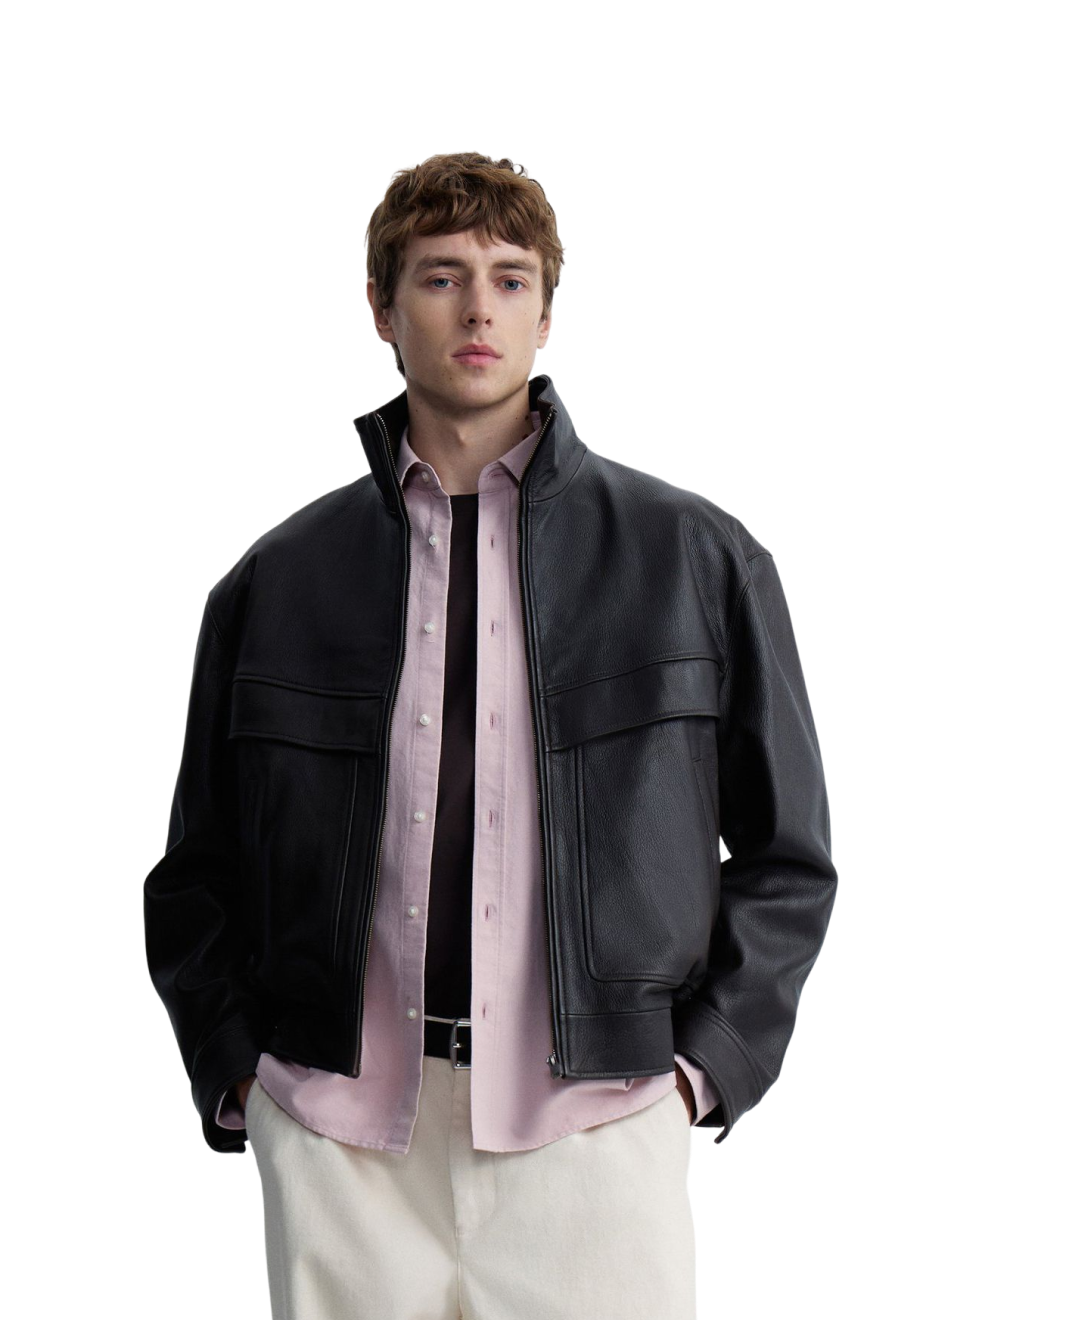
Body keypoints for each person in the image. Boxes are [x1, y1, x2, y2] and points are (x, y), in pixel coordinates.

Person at [143, 150, 838, 1319]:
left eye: (512, 280)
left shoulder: (699, 558)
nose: (479, 310)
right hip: (341, 1144)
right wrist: (247, 1086)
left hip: (597, 1133)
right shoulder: (274, 579)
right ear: (381, 310)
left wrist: (697, 1077)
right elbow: (193, 875)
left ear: (548, 316)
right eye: (441, 277)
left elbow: (789, 856)